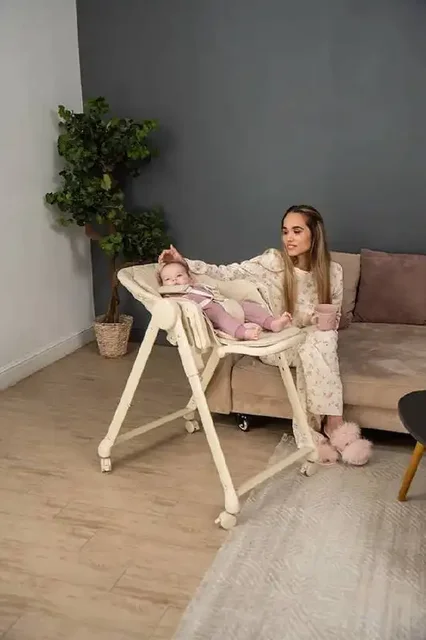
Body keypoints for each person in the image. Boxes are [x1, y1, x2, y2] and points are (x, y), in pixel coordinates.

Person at [159, 204, 372, 466]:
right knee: (317, 344)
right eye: (285, 231)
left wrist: (319, 320)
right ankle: (335, 426)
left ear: (314, 234)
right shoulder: (274, 262)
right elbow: (228, 272)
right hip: (279, 341)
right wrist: (184, 263)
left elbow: (334, 319)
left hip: (314, 340)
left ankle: (317, 433)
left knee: (320, 341)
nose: (289, 238)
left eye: (297, 231)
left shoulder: (333, 271)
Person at [158, 259, 293, 340]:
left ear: (190, 278)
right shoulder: (175, 297)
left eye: (179, 275)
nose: (174, 280)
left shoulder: (197, 286)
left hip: (225, 305)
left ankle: (272, 323)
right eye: (167, 279)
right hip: (211, 314)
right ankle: (243, 332)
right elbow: (177, 308)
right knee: (220, 315)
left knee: (248, 307)